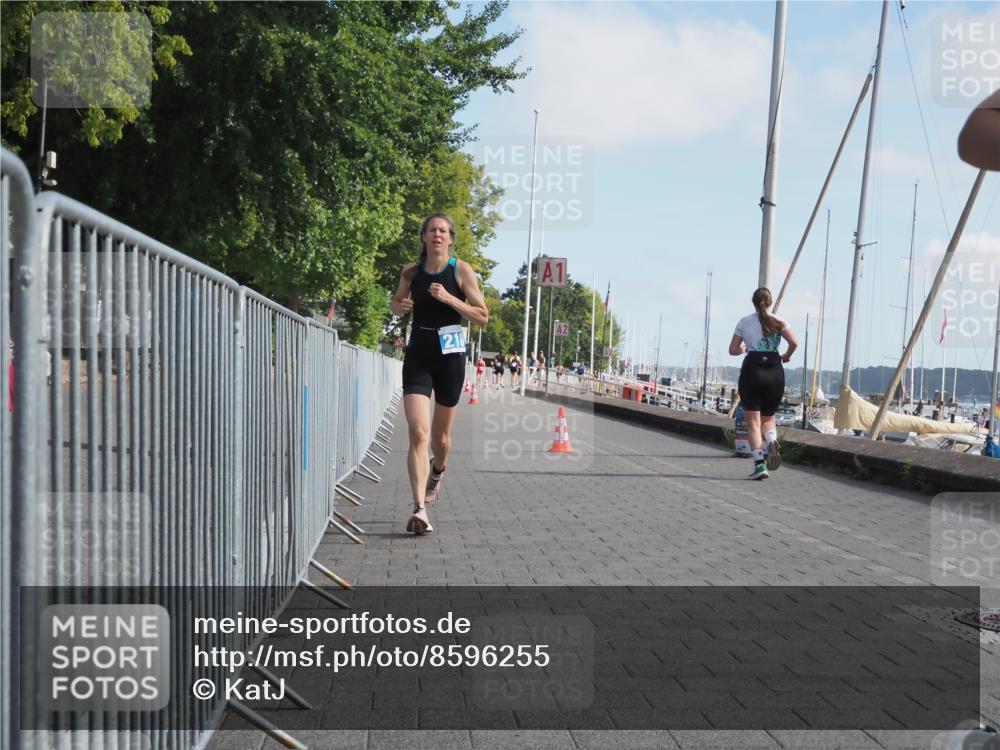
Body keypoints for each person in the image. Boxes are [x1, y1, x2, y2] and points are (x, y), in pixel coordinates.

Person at [391, 213, 489, 534]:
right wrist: (398, 307)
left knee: (441, 439)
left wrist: (449, 299)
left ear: (451, 239)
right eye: (431, 230)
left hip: (450, 357)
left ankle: (438, 469)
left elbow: (482, 316)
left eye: (443, 231)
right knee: (418, 432)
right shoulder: (411, 271)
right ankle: (419, 509)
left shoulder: (460, 270)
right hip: (418, 354)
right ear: (423, 237)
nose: (437, 234)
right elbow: (396, 303)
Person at [729, 287, 797, 480]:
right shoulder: (779, 321)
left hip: (753, 370)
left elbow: (732, 350)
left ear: (753, 302)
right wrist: (785, 356)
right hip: (775, 371)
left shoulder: (744, 322)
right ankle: (772, 440)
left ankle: (760, 466)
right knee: (768, 419)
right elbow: (794, 342)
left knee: (753, 423)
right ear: (771, 302)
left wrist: (744, 349)